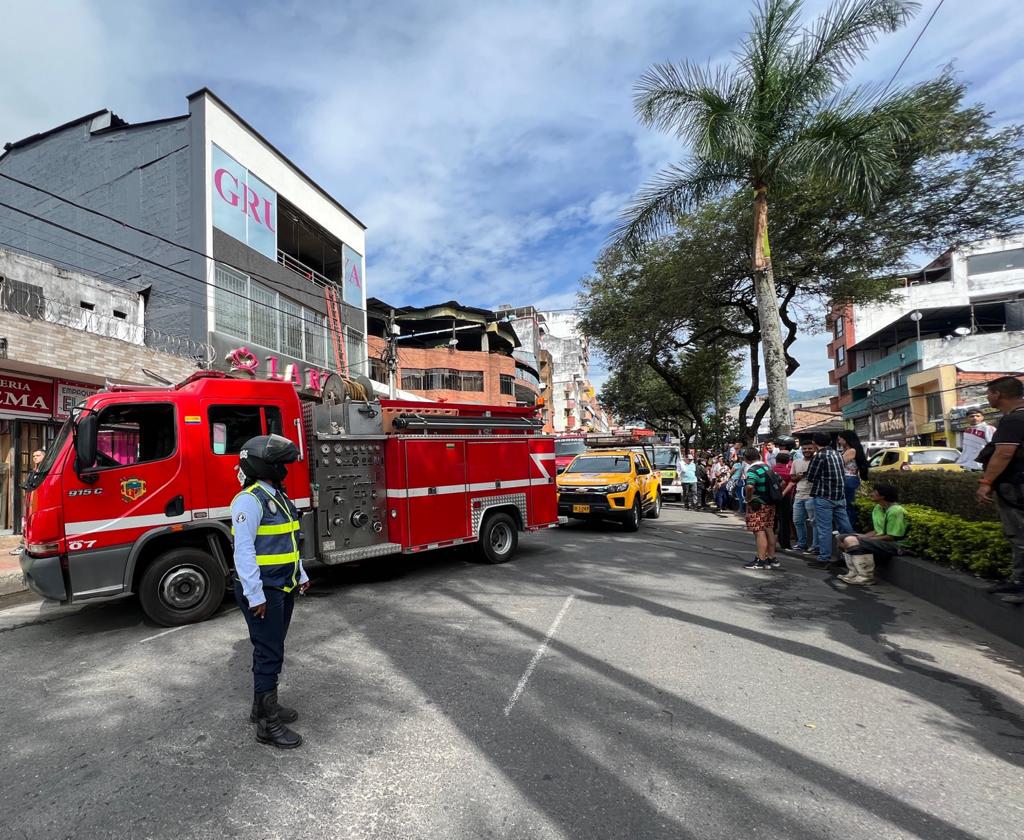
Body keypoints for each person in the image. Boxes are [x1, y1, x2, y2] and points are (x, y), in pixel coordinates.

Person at [232, 434, 310, 749]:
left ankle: (261, 708)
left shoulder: (276, 495)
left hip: (282, 584)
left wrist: (301, 573)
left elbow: (289, 541)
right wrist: (255, 595)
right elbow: (243, 551)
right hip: (264, 590)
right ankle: (267, 725)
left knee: (270, 647)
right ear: (263, 464)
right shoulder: (250, 499)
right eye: (279, 463)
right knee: (269, 652)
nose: (284, 468)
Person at [976, 376, 1024, 604]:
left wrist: (986, 483)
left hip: (1016, 486)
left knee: (1019, 534)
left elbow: (1003, 453)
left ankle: (1021, 585)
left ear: (998, 394)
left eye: (988, 393)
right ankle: (1017, 580)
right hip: (1015, 484)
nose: (987, 397)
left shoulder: (1013, 420)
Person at [836, 484, 908, 585]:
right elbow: (877, 530)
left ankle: (866, 576)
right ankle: (854, 572)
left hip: (897, 545)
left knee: (851, 540)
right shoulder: (878, 508)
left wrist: (865, 540)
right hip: (882, 539)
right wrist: (863, 536)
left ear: (883, 496)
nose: (871, 494)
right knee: (841, 537)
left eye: (874, 492)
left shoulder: (896, 511)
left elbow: (892, 537)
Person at [805, 432, 853, 568]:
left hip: (824, 496)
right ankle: (851, 553)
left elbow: (810, 476)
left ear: (814, 442)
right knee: (845, 527)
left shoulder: (820, 455)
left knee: (824, 528)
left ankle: (824, 558)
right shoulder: (837, 453)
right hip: (840, 495)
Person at [741, 448, 779, 570]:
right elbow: (781, 482)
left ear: (745, 459)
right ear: (759, 456)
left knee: (759, 531)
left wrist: (748, 498)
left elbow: (750, 485)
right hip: (770, 503)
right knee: (769, 528)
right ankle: (771, 558)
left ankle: (761, 560)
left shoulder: (752, 470)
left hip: (758, 504)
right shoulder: (767, 467)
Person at [837, 430, 870, 530]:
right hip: (848, 479)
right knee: (846, 506)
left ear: (846, 439)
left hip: (849, 479)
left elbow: (839, 463)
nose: (838, 440)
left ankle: (848, 530)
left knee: (848, 506)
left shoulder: (851, 451)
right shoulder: (848, 450)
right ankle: (846, 529)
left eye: (840, 438)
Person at [788, 442, 817, 553]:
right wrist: (801, 476)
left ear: (814, 448)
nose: (807, 450)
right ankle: (801, 544)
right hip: (799, 495)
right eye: (804, 449)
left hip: (812, 496)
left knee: (814, 522)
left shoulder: (816, 461)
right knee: (797, 521)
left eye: (809, 448)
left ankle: (815, 546)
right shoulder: (796, 462)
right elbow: (792, 478)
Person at [772, 451, 793, 551]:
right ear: (788, 461)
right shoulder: (790, 471)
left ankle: (771, 542)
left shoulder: (771, 470)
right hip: (786, 497)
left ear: (776, 460)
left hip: (772, 498)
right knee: (784, 521)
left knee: (772, 520)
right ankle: (785, 543)